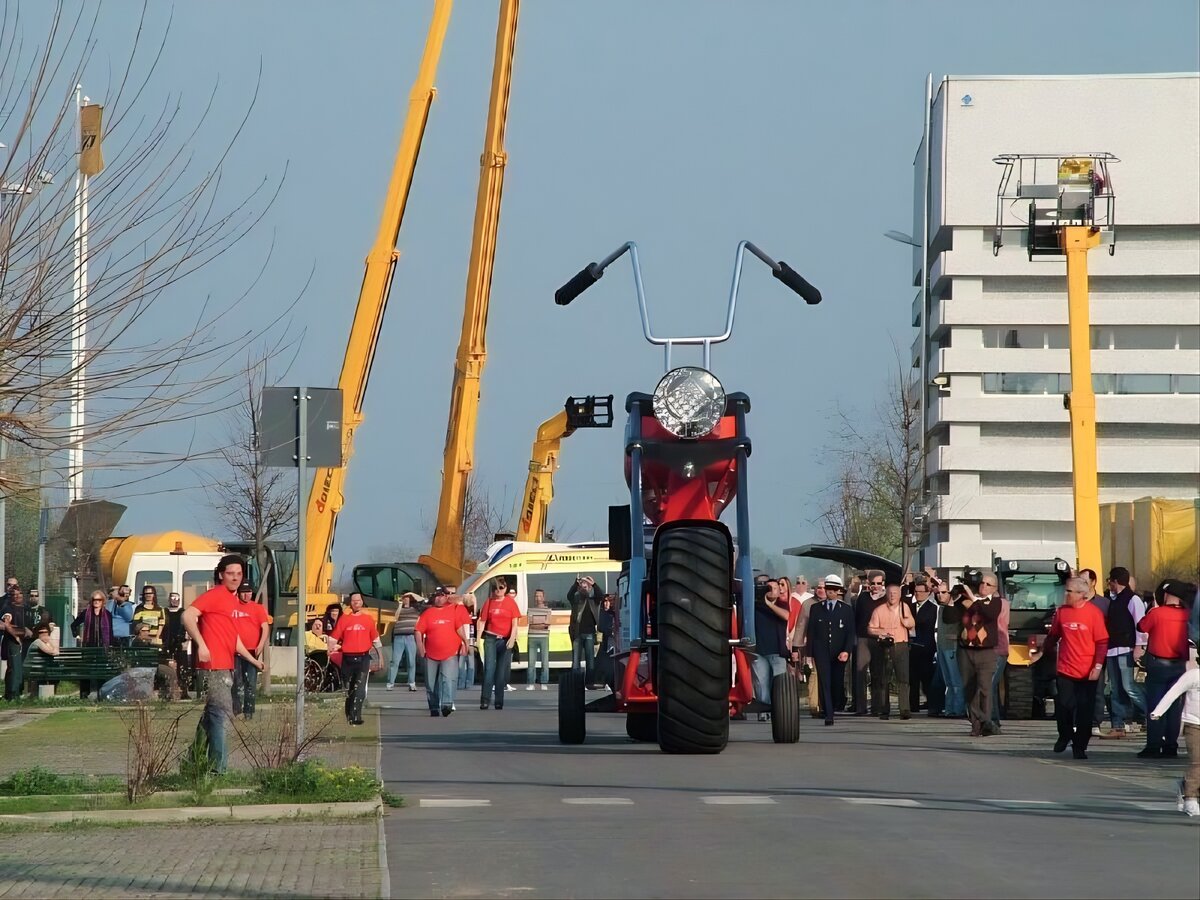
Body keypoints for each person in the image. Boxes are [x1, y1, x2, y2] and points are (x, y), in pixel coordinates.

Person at [182, 554, 264, 774]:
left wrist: (252, 658)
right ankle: (218, 769)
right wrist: (202, 644)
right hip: (213, 665)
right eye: (230, 573)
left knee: (211, 715)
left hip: (226, 664)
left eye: (239, 574)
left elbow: (233, 638)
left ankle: (193, 761)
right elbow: (188, 616)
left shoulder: (232, 600)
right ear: (221, 575)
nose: (235, 578)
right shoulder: (215, 594)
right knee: (221, 714)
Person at [1040, 576, 1108, 760]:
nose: (1066, 594)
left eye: (1070, 591)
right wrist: (1042, 652)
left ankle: (1080, 746)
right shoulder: (1062, 612)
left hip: (1088, 670)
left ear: (1082, 595)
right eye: (1066, 590)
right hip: (1066, 667)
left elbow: (1102, 642)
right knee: (1063, 705)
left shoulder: (1094, 614)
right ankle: (1064, 735)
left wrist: (1098, 666)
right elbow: (1053, 636)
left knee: (1085, 710)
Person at [1136, 580, 1194, 759]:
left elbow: (1141, 626)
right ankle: (1171, 745)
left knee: (1155, 705)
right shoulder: (1188, 615)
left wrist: (1153, 607)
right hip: (1179, 665)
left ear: (1166, 594)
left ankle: (1153, 745)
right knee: (1175, 707)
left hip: (1158, 663)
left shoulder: (1157, 613)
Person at [1097, 567, 1148, 739]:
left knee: (1129, 687)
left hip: (1126, 649)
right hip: (1112, 650)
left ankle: (1153, 714)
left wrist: (1139, 646)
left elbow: (1139, 625)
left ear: (1115, 581)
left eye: (1110, 580)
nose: (1108, 584)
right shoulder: (1113, 600)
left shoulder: (1133, 600)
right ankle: (1118, 725)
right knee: (1115, 689)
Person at [954, 572, 1004, 737]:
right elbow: (950, 614)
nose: (983, 586)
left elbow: (988, 614)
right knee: (969, 689)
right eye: (982, 583)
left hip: (985, 651)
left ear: (995, 588)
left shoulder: (995, 603)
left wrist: (973, 600)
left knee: (984, 688)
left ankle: (986, 723)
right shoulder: (967, 601)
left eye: (988, 584)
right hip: (966, 650)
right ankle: (978, 724)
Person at [1150, 660, 1200, 817]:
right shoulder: (1193, 676)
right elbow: (1173, 693)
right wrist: (1158, 712)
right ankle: (1191, 798)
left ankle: (1186, 785)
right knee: (1197, 762)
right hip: (1194, 725)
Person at [803, 574, 855, 725]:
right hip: (822, 651)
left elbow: (850, 633)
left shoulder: (846, 610)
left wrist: (846, 650)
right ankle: (828, 713)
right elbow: (811, 631)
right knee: (824, 681)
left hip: (839, 652)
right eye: (828, 589)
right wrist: (809, 653)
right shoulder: (816, 608)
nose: (830, 592)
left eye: (833, 589)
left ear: (839, 591)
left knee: (836, 682)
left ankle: (835, 703)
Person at [329, 592, 384, 726]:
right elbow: (333, 638)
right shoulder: (344, 619)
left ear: (362, 602)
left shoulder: (368, 619)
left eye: (358, 600)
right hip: (347, 658)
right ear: (350, 603)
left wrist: (380, 658)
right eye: (353, 601)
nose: (356, 603)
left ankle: (356, 716)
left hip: (363, 657)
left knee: (360, 688)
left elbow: (376, 640)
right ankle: (349, 713)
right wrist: (329, 650)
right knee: (349, 687)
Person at [414, 589, 470, 717]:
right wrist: (420, 647)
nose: (439, 599)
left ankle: (446, 704)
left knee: (448, 679)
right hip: (431, 653)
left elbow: (459, 628)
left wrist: (465, 642)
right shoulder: (427, 613)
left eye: (442, 596)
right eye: (436, 596)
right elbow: (418, 631)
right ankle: (434, 707)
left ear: (446, 597)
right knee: (431, 682)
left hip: (450, 652)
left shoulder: (453, 610)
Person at [867, 583, 916, 721]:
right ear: (886, 594)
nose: (892, 595)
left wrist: (906, 621)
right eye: (890, 593)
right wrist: (881, 632)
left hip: (901, 645)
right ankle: (884, 709)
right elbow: (870, 629)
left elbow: (911, 623)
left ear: (900, 595)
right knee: (884, 679)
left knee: (903, 678)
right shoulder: (879, 610)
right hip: (884, 646)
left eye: (895, 593)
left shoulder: (904, 608)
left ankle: (904, 709)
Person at [477, 580, 520, 710]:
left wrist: (512, 638)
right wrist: (478, 639)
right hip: (491, 638)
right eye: (495, 588)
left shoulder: (510, 602)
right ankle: (485, 699)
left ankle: (499, 700)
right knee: (489, 669)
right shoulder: (489, 602)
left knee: (501, 671)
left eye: (501, 588)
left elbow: (515, 623)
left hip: (505, 639)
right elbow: (482, 621)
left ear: (506, 588)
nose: (498, 590)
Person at [230, 582, 270, 721]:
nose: (247, 595)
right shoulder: (232, 607)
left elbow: (265, 627)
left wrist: (261, 644)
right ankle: (236, 709)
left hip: (252, 650)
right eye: (244, 592)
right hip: (235, 651)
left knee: (250, 683)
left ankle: (249, 711)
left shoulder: (257, 608)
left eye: (249, 592)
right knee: (236, 681)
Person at [752, 578, 790, 721]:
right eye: (768, 588)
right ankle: (764, 711)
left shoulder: (782, 604)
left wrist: (769, 605)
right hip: (759, 650)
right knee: (761, 683)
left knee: (779, 683)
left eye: (775, 588)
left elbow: (787, 616)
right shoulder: (755, 606)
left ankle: (779, 711)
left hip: (777, 651)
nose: (772, 590)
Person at [852, 571, 886, 715]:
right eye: (873, 584)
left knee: (878, 673)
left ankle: (878, 707)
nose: (876, 586)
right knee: (860, 673)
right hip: (863, 638)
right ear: (868, 584)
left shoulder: (886, 599)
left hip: (880, 639)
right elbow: (857, 617)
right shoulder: (863, 597)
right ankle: (860, 707)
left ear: (883, 583)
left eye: (879, 583)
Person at [72, 592, 114, 698]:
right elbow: (74, 625)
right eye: (95, 599)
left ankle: (101, 694)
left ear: (103, 601)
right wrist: (77, 636)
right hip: (88, 646)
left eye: (99, 600)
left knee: (101, 671)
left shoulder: (107, 614)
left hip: (102, 647)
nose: (96, 602)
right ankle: (84, 694)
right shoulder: (86, 613)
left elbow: (110, 631)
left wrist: (111, 644)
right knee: (86, 670)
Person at [909, 577, 939, 715]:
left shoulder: (933, 609)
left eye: (921, 592)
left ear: (927, 593)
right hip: (911, 646)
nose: (918, 594)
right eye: (916, 591)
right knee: (912, 678)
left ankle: (931, 703)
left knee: (926, 677)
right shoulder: (909, 606)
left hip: (926, 646)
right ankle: (912, 704)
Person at [0, 587, 34, 700]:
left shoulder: (25, 608)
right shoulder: (8, 608)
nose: (18, 597)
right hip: (13, 642)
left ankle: (17, 692)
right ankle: (12, 695)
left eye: (19, 594)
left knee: (19, 667)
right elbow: (7, 624)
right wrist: (16, 636)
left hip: (24, 641)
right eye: (15, 595)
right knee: (14, 668)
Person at [567, 576, 600, 687]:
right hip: (577, 634)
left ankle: (589, 683)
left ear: (590, 588)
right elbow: (569, 595)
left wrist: (594, 584)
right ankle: (576, 684)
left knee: (590, 661)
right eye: (582, 585)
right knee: (576, 661)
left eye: (586, 586)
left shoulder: (593, 601)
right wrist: (576, 583)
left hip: (590, 633)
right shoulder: (576, 600)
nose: (584, 587)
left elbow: (600, 595)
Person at [387, 592, 422, 692]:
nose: (406, 599)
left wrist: (411, 593)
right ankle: (390, 683)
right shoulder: (400, 609)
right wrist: (400, 604)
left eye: (407, 597)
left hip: (410, 637)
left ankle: (412, 683)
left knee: (411, 661)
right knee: (395, 661)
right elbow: (396, 617)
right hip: (399, 637)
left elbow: (422, 600)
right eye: (404, 597)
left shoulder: (416, 610)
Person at [161, 592, 193, 699]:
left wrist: (186, 639)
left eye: (177, 598)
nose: (174, 600)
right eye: (172, 598)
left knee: (182, 668)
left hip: (180, 643)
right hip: (166, 643)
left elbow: (188, 626)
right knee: (166, 668)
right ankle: (167, 691)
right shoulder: (164, 612)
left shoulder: (183, 612)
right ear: (169, 600)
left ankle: (184, 691)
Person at [988, 592, 1011, 733]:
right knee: (991, 687)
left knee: (988, 685)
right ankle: (993, 719)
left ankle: (990, 720)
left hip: (997, 649)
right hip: (989, 650)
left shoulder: (1000, 604)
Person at [525, 588, 552, 690]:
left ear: (543, 597)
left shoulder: (548, 610)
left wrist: (537, 623)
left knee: (544, 661)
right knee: (531, 661)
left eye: (540, 596)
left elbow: (547, 624)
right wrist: (541, 623)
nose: (538, 598)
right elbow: (530, 623)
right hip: (532, 637)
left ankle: (544, 682)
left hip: (544, 637)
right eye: (536, 596)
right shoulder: (530, 610)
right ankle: (531, 682)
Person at [456, 591, 478, 692]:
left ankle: (464, 682)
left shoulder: (465, 611)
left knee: (464, 661)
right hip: (469, 638)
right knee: (468, 661)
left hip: (467, 638)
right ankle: (467, 682)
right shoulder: (468, 612)